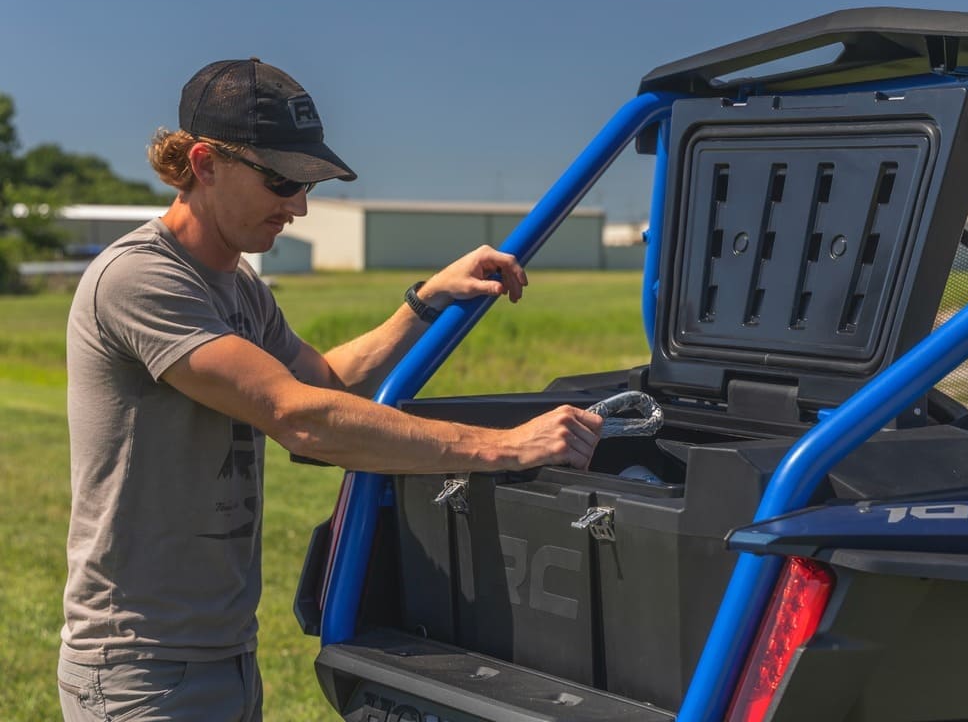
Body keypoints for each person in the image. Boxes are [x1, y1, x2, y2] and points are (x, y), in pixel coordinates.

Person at [58, 58, 603, 722]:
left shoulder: (239, 287)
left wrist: (425, 301)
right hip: (138, 664)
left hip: (220, 650)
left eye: (308, 184)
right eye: (283, 181)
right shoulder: (140, 279)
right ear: (204, 163)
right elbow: (300, 416)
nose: (299, 206)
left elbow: (323, 381)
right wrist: (507, 447)